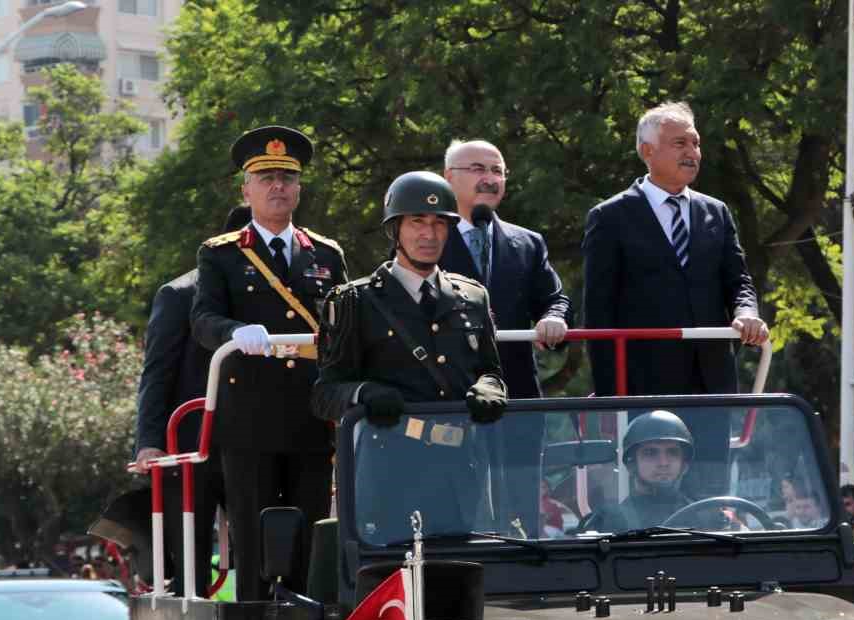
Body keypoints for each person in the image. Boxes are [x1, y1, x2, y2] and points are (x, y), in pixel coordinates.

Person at [190, 126, 349, 600]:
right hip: (250, 420)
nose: (277, 186)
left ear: (299, 188)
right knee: (254, 534)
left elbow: (344, 325)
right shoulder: (220, 254)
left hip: (311, 415)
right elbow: (202, 318)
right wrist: (233, 332)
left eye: (286, 178)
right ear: (247, 190)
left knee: (312, 532)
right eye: (266, 178)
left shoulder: (326, 253)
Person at [581, 102, 768, 495]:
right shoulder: (610, 216)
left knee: (711, 491)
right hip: (642, 382)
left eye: (696, 143)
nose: (692, 152)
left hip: (711, 380)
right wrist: (610, 398)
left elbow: (739, 282)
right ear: (647, 151)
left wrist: (747, 312)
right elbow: (598, 311)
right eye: (680, 142)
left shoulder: (716, 212)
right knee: (648, 498)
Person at [313, 171, 507, 544]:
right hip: (390, 467)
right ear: (395, 230)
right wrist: (363, 392)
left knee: (460, 578)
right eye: (417, 222)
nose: (429, 234)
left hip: (459, 469)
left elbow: (491, 370)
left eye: (439, 224)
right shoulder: (358, 301)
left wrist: (489, 387)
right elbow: (324, 394)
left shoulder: (472, 297)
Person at [438, 139, 571, 535]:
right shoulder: (427, 239)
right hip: (452, 393)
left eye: (497, 171)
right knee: (461, 500)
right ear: (449, 179)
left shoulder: (526, 242)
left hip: (518, 391)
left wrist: (553, 317)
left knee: (521, 499)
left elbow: (555, 298)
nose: (489, 179)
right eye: (478, 169)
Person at [132, 207, 250, 597]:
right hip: (193, 444)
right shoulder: (180, 294)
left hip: (257, 441)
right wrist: (149, 441)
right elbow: (157, 373)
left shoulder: (283, 291)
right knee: (190, 553)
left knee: (264, 548)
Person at [588, 411, 703, 532]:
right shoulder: (610, 521)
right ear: (631, 465)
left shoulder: (707, 515)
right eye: (650, 453)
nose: (663, 463)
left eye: (672, 452)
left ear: (684, 465)